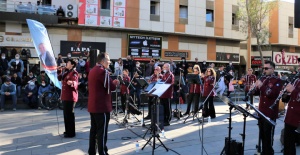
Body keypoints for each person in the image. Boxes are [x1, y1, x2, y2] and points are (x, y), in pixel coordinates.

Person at [88, 52, 119, 155]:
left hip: (93, 106)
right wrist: (114, 82)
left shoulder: (92, 70)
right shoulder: (103, 72)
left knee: (93, 131)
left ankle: (91, 152)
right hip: (102, 107)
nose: (109, 63)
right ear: (102, 61)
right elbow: (110, 87)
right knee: (102, 132)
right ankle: (103, 152)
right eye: (108, 61)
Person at [252, 60, 282, 155]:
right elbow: (258, 93)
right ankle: (264, 151)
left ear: (272, 69)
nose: (264, 70)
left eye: (266, 68)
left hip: (270, 112)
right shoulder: (264, 79)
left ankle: (268, 152)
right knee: (262, 134)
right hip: (261, 111)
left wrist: (261, 86)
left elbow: (272, 94)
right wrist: (254, 88)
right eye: (263, 68)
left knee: (268, 135)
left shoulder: (277, 81)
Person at [57, 59, 78, 138]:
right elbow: (59, 78)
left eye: (68, 62)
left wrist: (72, 83)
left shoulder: (74, 73)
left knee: (70, 114)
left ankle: (71, 132)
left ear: (72, 65)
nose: (66, 63)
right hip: (65, 96)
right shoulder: (66, 72)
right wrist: (59, 70)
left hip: (70, 96)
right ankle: (67, 130)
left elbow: (76, 82)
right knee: (66, 114)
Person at [284, 70, 300, 155]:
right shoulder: (297, 80)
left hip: (298, 116)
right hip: (290, 116)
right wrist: (285, 93)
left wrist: (293, 90)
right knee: (288, 142)